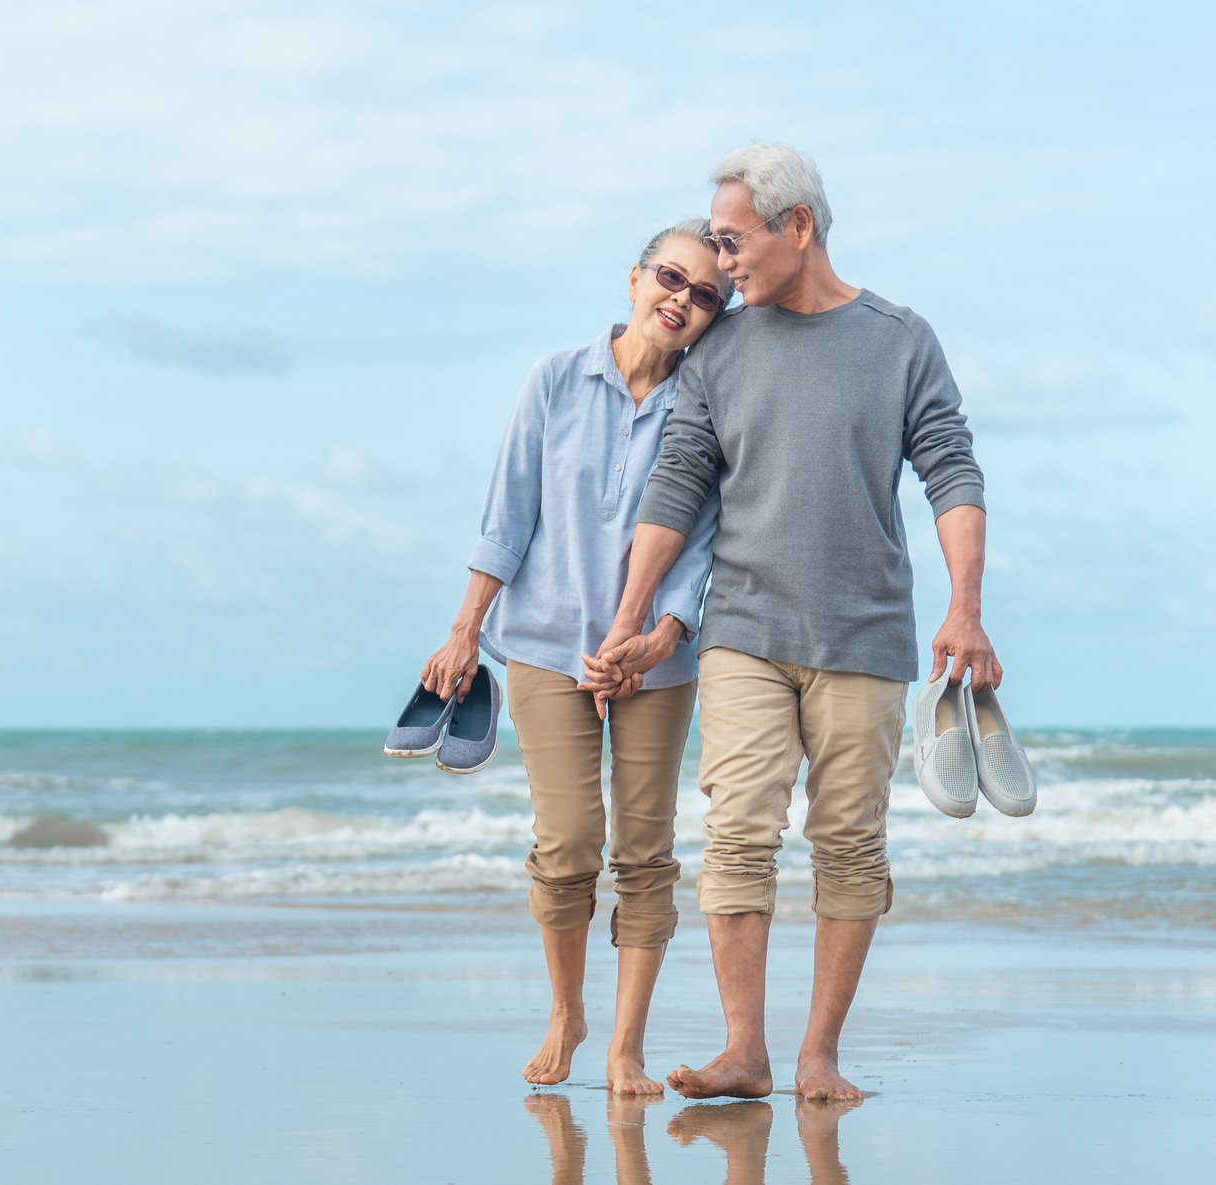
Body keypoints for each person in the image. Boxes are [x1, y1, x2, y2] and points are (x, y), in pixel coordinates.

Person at [583, 143, 998, 1102]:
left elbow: (952, 472)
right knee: (738, 835)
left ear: (798, 227)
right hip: (744, 628)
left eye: (733, 243)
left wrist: (966, 608)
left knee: (850, 845)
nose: (723, 265)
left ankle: (818, 1057)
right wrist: (631, 617)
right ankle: (745, 1051)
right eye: (714, 246)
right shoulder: (719, 351)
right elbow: (678, 479)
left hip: (865, 636)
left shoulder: (900, 339)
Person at [421, 220, 727, 1094]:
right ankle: (567, 1010)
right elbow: (507, 515)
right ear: (634, 279)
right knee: (566, 844)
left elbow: (703, 541)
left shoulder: (705, 407)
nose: (684, 299)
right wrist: (464, 629)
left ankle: (626, 1046)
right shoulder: (552, 379)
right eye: (673, 277)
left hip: (656, 662)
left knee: (645, 850)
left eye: (708, 294)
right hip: (547, 650)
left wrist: (663, 634)